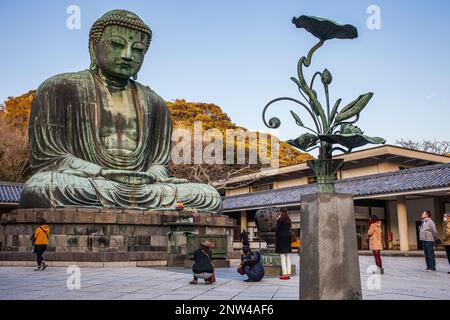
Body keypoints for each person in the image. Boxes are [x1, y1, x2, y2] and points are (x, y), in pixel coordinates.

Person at [276, 208, 292, 280]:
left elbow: (277, 230)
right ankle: (289, 273)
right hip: (288, 239)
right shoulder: (289, 220)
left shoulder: (280, 220)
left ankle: (284, 274)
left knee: (282, 257)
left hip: (281, 239)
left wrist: (277, 220)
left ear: (281, 212)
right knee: (288, 256)